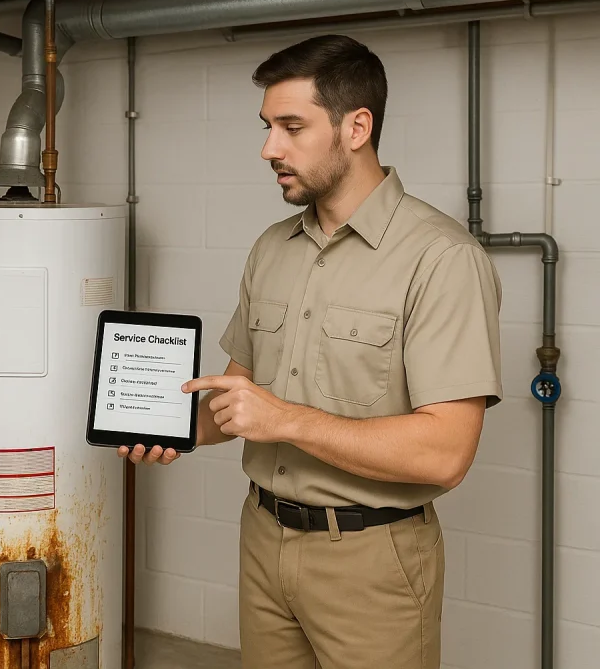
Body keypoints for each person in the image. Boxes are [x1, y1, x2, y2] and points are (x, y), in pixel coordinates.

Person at [119, 34, 502, 669]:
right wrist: (160, 423)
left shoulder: (442, 258)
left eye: (291, 127)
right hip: (263, 539)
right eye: (268, 127)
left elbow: (446, 453)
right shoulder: (272, 247)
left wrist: (286, 420)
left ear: (357, 127)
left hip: (371, 560)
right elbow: (238, 401)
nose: (269, 148)